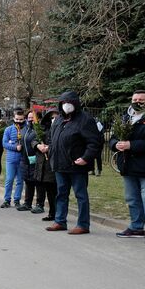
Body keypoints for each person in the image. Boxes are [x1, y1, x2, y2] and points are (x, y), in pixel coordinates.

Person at [45, 91, 102, 235]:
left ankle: (83, 224)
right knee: (61, 194)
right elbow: (51, 138)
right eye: (63, 103)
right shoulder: (58, 120)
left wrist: (85, 158)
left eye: (69, 102)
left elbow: (94, 143)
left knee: (80, 195)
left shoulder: (85, 119)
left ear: (76, 103)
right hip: (59, 164)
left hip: (77, 165)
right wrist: (50, 151)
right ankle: (60, 221)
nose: (66, 105)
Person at [109, 90, 145, 246]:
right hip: (128, 166)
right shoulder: (126, 117)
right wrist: (114, 144)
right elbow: (113, 137)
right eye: (135, 99)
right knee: (132, 199)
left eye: (141, 99)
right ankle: (136, 227)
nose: (137, 101)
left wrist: (132, 145)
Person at [32, 109, 60, 220]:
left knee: (53, 191)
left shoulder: (59, 129)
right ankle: (46, 209)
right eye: (52, 117)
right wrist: (38, 145)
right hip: (41, 162)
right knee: (44, 188)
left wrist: (49, 148)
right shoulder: (43, 128)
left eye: (56, 117)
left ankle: (55, 213)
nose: (54, 120)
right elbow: (34, 140)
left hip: (52, 163)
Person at [0, 109, 26, 208]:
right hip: (11, 159)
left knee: (20, 181)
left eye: (21, 119)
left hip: (22, 159)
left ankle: (17, 200)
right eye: (17, 119)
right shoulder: (8, 129)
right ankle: (7, 200)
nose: (19, 121)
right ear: (14, 118)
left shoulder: (26, 129)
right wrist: (15, 147)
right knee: (9, 179)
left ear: (24, 119)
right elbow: (5, 143)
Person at [17, 110, 40, 212]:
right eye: (29, 118)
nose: (31, 119)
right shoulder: (24, 129)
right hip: (25, 160)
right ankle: (27, 203)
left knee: (38, 183)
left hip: (37, 160)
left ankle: (40, 204)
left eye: (33, 117)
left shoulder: (39, 129)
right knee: (28, 181)